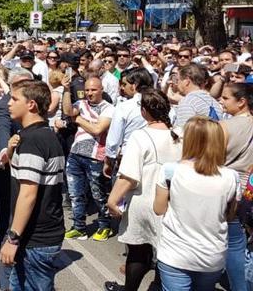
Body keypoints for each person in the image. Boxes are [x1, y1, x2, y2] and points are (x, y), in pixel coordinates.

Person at [104, 89, 182, 291]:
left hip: (145, 199)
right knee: (167, 252)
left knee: (139, 252)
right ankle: (159, 286)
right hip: (173, 202)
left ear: (144, 111)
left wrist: (112, 200)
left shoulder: (140, 136)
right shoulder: (180, 134)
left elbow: (129, 176)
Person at [153, 117, 238, 291]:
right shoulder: (231, 176)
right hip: (212, 256)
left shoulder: (170, 170)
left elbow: (158, 208)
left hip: (175, 253)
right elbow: (229, 215)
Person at [0, 80, 66, 291]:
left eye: (15, 99)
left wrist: (13, 238)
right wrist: (10, 151)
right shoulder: (39, 135)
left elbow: (28, 194)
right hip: (38, 236)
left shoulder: (34, 140)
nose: (9, 103)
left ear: (31, 105)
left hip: (36, 238)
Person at [0, 67, 33, 291]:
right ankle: (3, 261)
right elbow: (2, 131)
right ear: (12, 86)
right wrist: (5, 151)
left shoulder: (35, 106)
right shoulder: (2, 107)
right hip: (7, 175)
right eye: (21, 85)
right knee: (6, 220)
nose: (27, 89)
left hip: (31, 173)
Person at [62, 76, 114, 241]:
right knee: (75, 194)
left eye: (93, 90)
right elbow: (68, 111)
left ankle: (105, 226)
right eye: (87, 90)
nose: (90, 93)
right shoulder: (81, 104)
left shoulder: (109, 108)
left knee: (98, 194)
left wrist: (77, 119)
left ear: (101, 90)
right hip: (76, 154)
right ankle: (79, 228)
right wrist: (65, 90)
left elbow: (98, 129)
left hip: (95, 157)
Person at [218, 82, 253, 291]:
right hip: (248, 188)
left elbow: (215, 158)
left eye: (226, 98)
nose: (221, 101)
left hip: (231, 188)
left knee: (233, 243)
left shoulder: (225, 126)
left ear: (241, 102)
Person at [104, 68, 153, 178]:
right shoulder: (161, 103)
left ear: (134, 85)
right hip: (153, 158)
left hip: (129, 158)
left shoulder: (125, 107)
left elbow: (113, 140)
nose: (123, 87)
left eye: (126, 84)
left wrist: (109, 159)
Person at [173, 63, 224, 132]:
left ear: (187, 81)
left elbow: (183, 133)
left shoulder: (187, 101)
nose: (176, 83)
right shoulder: (214, 101)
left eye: (178, 80)